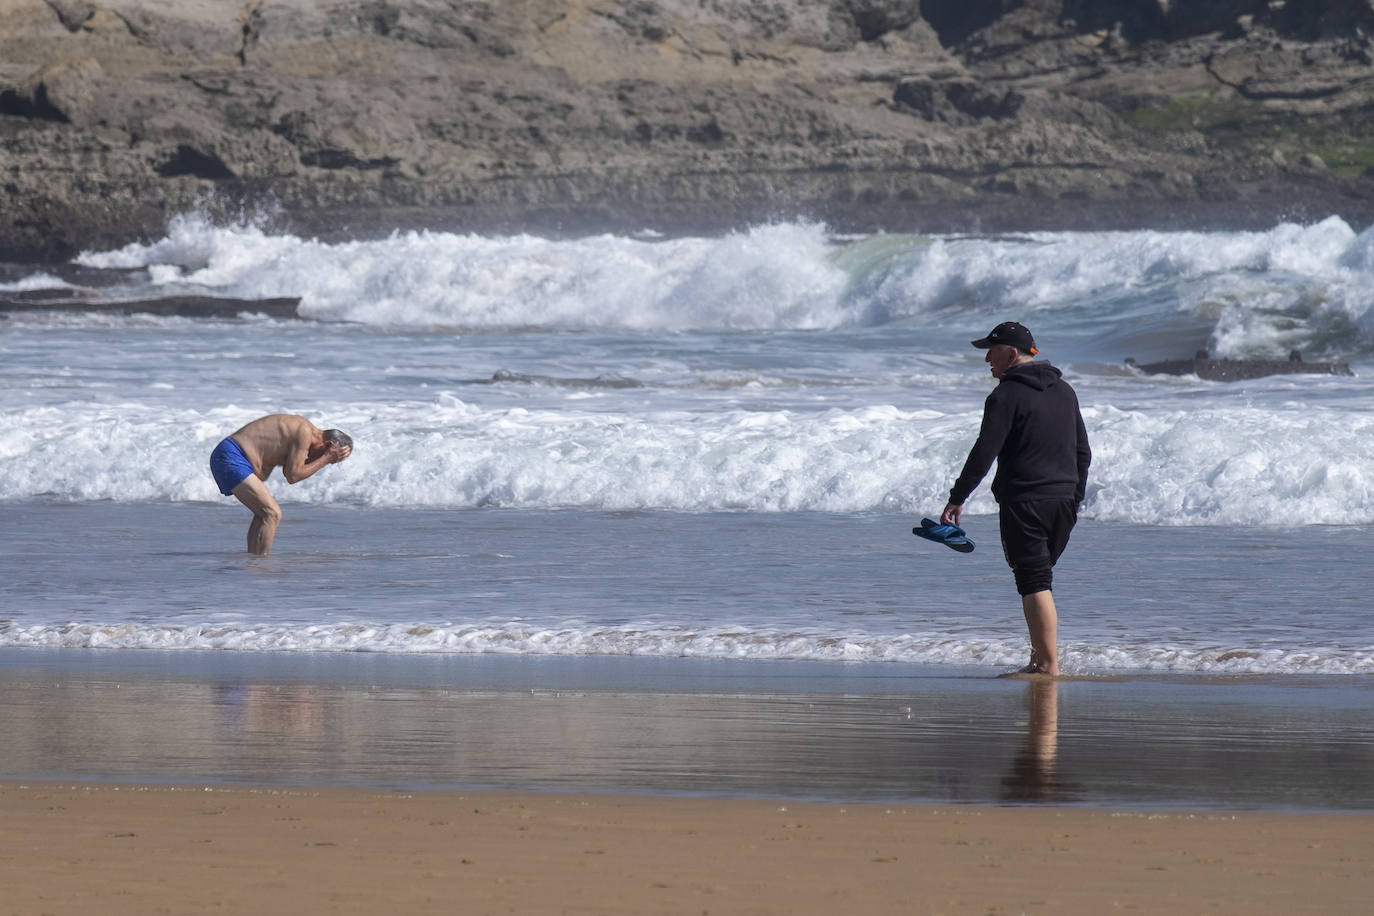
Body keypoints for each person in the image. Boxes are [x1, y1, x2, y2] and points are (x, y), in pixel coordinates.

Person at [940, 322, 1090, 676]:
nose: (987, 359)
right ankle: (1042, 659)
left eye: (992, 351)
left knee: (1033, 580)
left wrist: (957, 497)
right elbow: (1083, 451)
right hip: (1063, 501)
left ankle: (1046, 665)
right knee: (1040, 578)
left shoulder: (1004, 396)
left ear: (1012, 353)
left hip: (1025, 501)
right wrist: (1075, 496)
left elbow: (984, 452)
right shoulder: (1065, 391)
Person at [208, 414, 353, 556]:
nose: (321, 460)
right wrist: (326, 459)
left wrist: (325, 457)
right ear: (327, 445)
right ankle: (262, 565)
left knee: (263, 515)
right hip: (232, 456)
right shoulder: (304, 432)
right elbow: (293, 476)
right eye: (331, 458)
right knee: (272, 513)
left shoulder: (303, 431)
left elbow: (290, 470)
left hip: (230, 457)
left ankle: (252, 562)